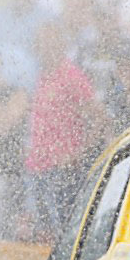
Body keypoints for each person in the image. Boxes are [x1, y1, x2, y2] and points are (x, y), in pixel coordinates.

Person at [23, 25, 106, 234]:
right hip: (37, 167)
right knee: (42, 231)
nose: (44, 48)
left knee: (62, 229)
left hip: (62, 169)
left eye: (49, 42)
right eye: (40, 43)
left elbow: (100, 117)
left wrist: (79, 153)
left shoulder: (71, 76)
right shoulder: (41, 76)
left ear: (60, 45)